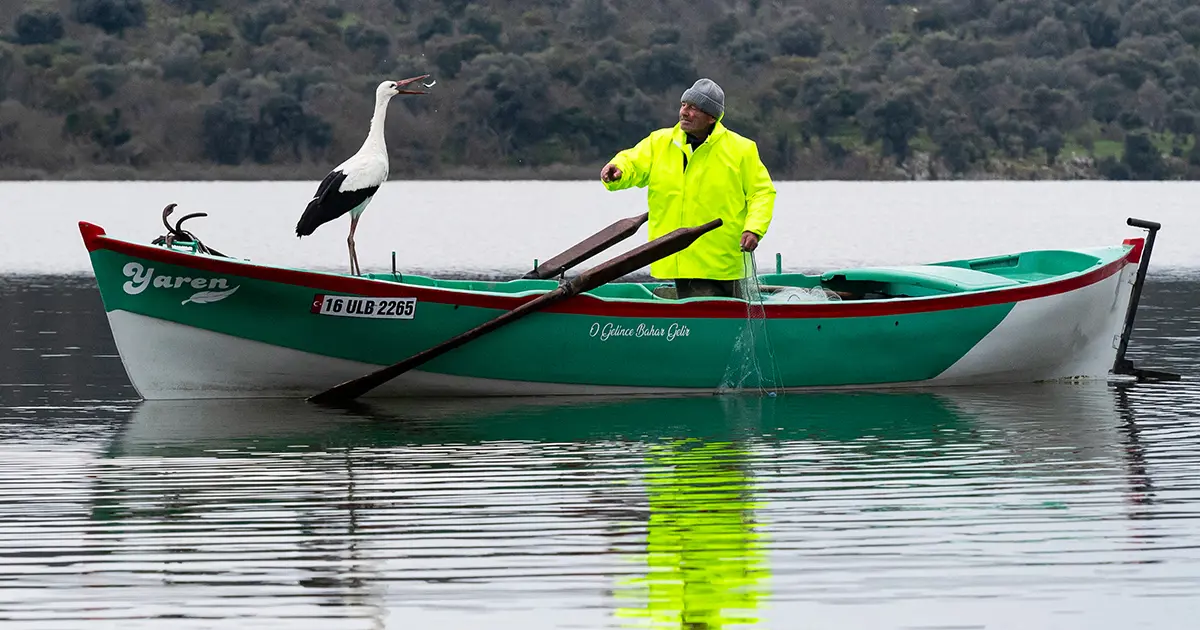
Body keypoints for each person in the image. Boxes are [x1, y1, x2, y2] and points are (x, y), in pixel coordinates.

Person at [600, 78, 776, 299]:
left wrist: (754, 229)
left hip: (725, 259)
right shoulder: (659, 142)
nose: (685, 112)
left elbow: (762, 193)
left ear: (712, 117)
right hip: (677, 257)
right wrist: (618, 170)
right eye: (684, 104)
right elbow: (632, 162)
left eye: (694, 108)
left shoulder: (741, 149)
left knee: (726, 320)